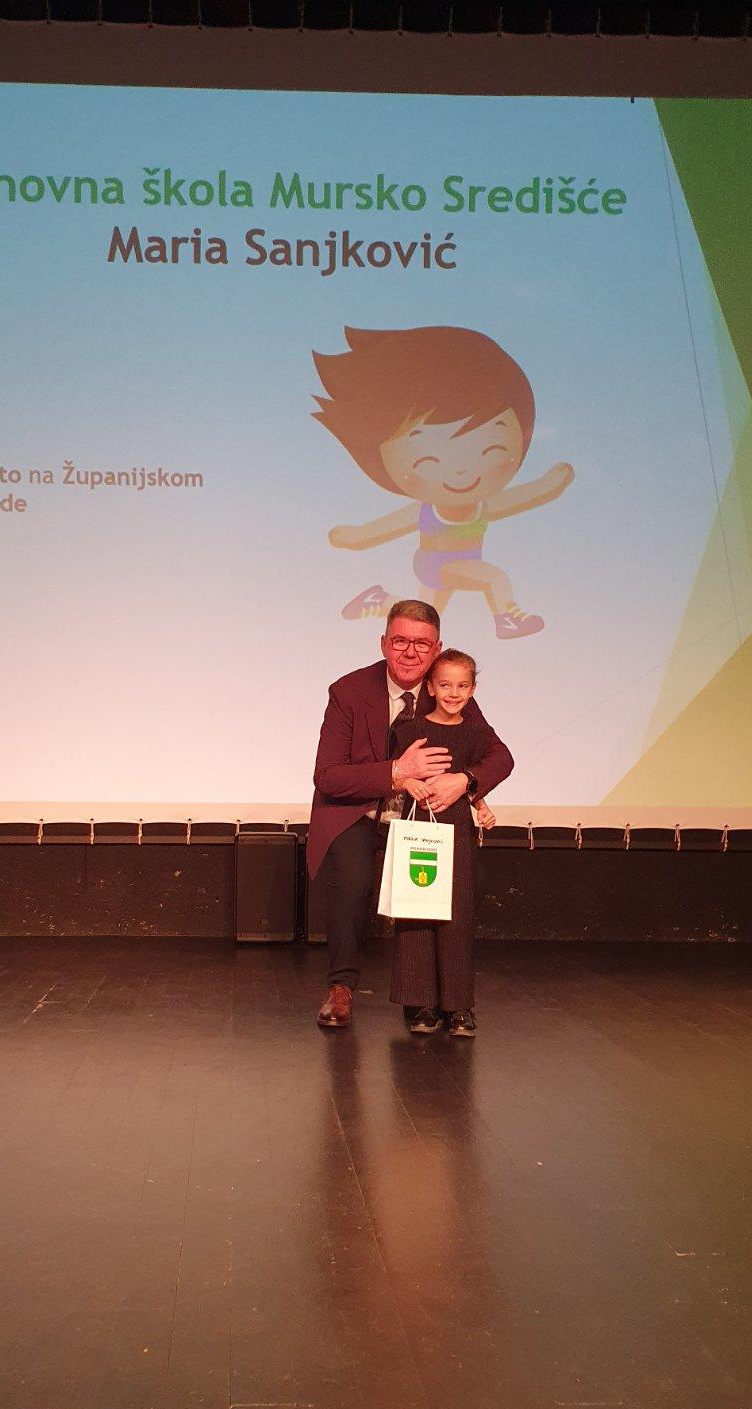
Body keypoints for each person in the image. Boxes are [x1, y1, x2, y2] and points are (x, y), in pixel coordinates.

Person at [309, 600, 513, 1029]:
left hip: (422, 821)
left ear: (436, 648)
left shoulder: (447, 689)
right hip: (360, 813)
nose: (410, 652)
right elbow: (327, 776)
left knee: (457, 888)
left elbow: (497, 756)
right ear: (384, 643)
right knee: (352, 880)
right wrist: (397, 773)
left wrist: (465, 782)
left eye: (421, 644)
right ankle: (341, 987)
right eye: (400, 641)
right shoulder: (348, 691)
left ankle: (439, 995)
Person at [312, 325, 573, 640]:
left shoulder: (483, 504)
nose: (462, 471)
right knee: (494, 578)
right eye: (428, 459)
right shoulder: (429, 510)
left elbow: (524, 495)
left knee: (424, 616)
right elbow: (386, 527)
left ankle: (379, 600)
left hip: (454, 566)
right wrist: (356, 536)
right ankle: (507, 618)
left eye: (489, 450)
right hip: (436, 565)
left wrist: (551, 485)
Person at [390, 650, 508, 1038]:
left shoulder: (476, 734)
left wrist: (482, 805)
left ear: (472, 690)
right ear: (430, 687)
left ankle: (458, 1006)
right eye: (445, 685)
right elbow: (395, 775)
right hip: (417, 827)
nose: (453, 693)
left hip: (457, 831)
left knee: (456, 914)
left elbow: (473, 782)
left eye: (462, 686)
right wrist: (409, 782)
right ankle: (420, 1003)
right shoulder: (409, 730)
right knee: (417, 910)